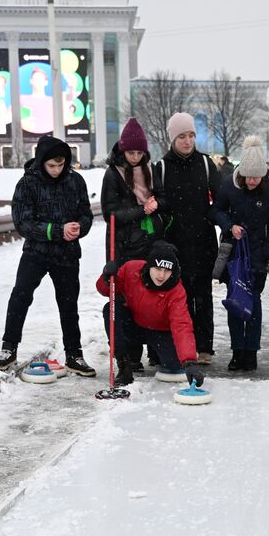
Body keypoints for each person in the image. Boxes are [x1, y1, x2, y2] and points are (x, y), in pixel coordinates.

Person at [0, 136, 96, 377]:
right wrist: (55, 230)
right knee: (20, 294)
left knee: (69, 304)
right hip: (36, 252)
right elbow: (23, 222)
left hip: (67, 254)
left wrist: (80, 227)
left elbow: (86, 214)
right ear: (41, 162)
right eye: (51, 166)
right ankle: (8, 348)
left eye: (61, 165)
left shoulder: (75, 181)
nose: (56, 170)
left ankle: (74, 354)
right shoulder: (27, 183)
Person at [153, 113, 225, 364]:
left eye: (191, 135)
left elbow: (221, 200)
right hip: (174, 245)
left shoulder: (205, 164)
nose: (187, 141)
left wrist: (217, 219)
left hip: (203, 243)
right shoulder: (161, 168)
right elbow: (157, 205)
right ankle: (178, 346)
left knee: (203, 298)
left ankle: (204, 347)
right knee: (176, 299)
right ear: (173, 138)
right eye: (182, 136)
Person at [213, 136, 269, 372]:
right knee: (235, 301)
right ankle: (237, 351)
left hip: (258, 255)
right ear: (241, 173)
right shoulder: (229, 186)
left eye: (257, 176)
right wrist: (229, 226)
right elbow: (215, 210)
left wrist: (266, 252)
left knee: (253, 302)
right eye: (249, 176)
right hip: (233, 254)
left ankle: (251, 352)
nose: (253, 181)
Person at [101, 116, 165, 369]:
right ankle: (129, 355)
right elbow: (111, 213)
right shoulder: (113, 174)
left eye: (139, 152)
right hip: (124, 244)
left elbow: (162, 197)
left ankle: (155, 349)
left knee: (152, 295)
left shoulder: (151, 169)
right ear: (123, 149)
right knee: (127, 299)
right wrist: (142, 211)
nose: (135, 157)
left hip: (151, 240)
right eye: (131, 152)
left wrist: (157, 204)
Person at [98, 242, 204, 388]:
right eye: (158, 269)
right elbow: (105, 291)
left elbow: (181, 325)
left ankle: (156, 353)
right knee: (111, 308)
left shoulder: (176, 290)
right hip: (134, 325)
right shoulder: (131, 269)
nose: (162, 276)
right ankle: (125, 363)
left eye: (167, 271)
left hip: (160, 332)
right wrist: (107, 277)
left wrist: (189, 361)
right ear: (149, 266)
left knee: (174, 367)